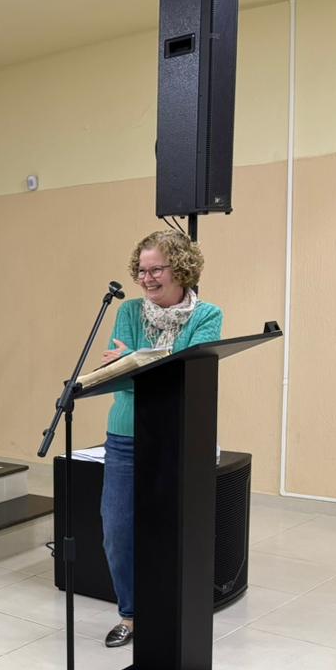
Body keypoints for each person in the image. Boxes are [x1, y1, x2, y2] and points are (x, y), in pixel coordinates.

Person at [97, 230, 223, 648]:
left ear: (180, 268)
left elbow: (189, 376)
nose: (146, 278)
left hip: (179, 436)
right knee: (117, 531)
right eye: (141, 270)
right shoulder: (129, 311)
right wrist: (143, 369)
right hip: (126, 435)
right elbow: (120, 380)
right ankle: (130, 615)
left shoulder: (207, 316)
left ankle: (172, 610)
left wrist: (135, 364)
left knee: (174, 530)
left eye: (156, 270)